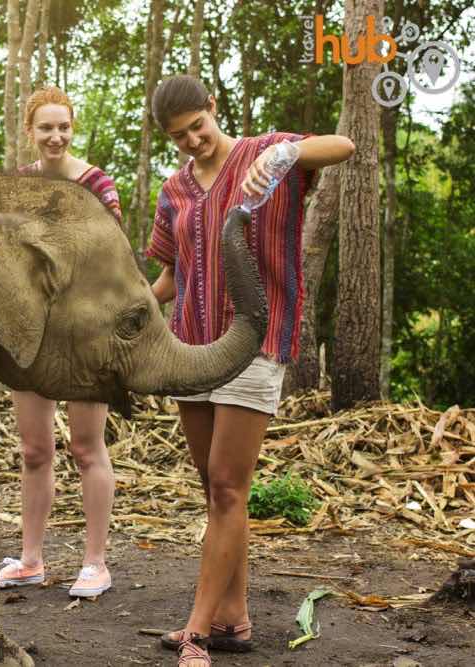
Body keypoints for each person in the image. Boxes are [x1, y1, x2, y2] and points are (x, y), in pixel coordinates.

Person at [144, 75, 355, 666]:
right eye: (179, 137)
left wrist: (285, 153)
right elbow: (168, 277)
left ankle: (196, 629)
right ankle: (233, 619)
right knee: (216, 491)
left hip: (256, 342)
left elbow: (343, 147)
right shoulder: (174, 190)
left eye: (198, 127)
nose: (193, 142)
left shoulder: (269, 153)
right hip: (191, 349)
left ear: (214, 107)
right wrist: (123, 307)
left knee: (229, 486)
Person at [0, 86, 122, 599]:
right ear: (31, 132)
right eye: (45, 127)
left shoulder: (97, 183)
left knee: (86, 447)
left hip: (85, 330)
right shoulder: (16, 186)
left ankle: (96, 562)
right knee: (33, 450)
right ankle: (30, 559)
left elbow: (107, 255)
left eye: (63, 127)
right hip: (30, 333)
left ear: (73, 128)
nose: (55, 135)